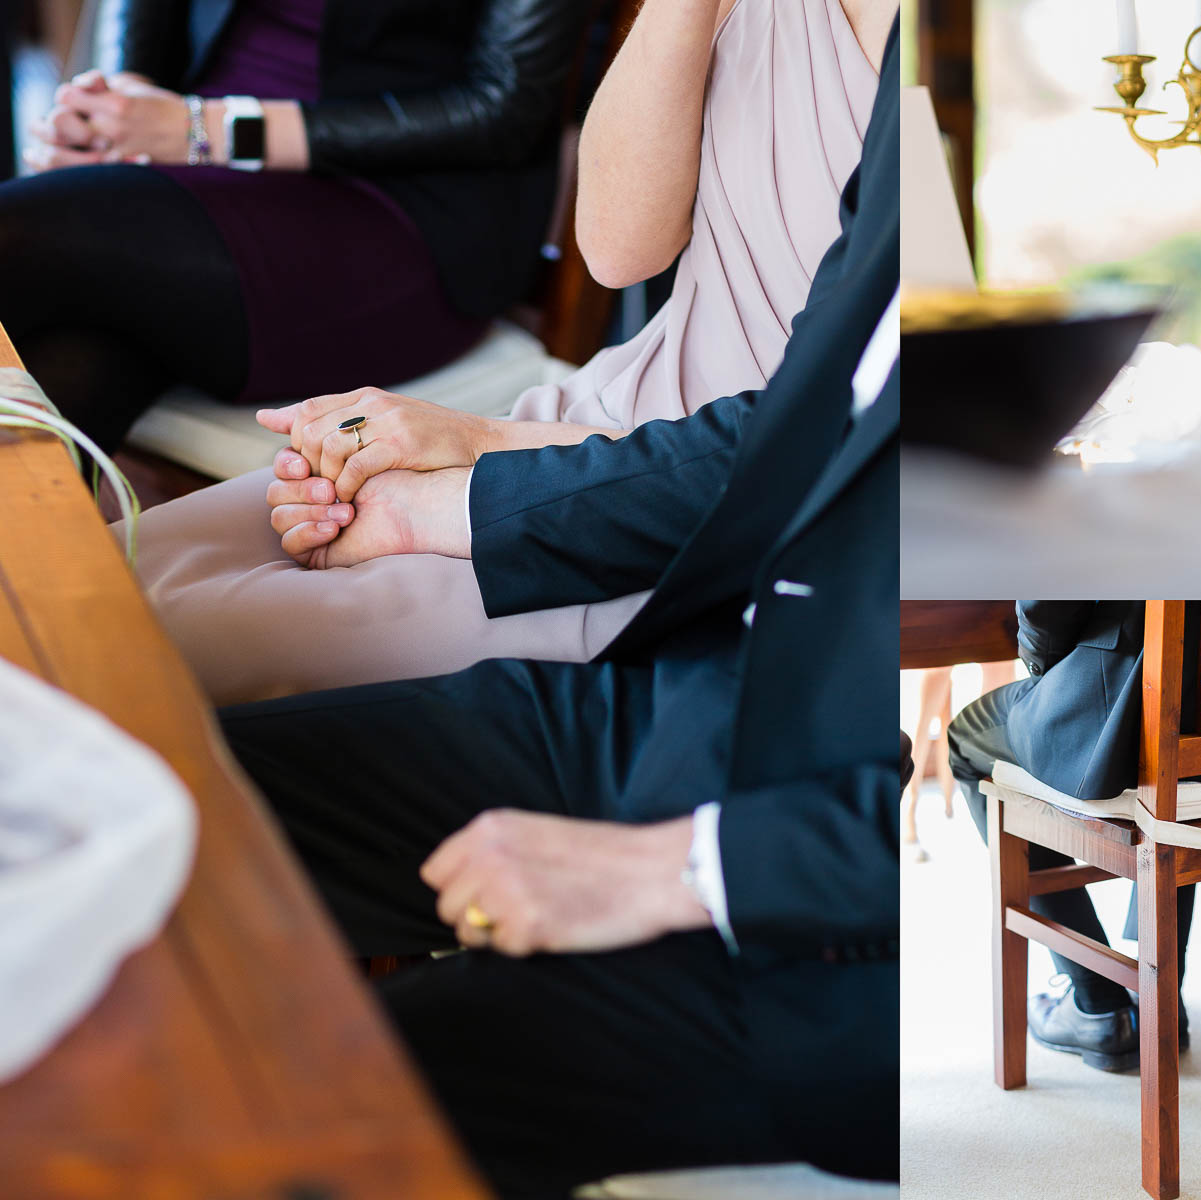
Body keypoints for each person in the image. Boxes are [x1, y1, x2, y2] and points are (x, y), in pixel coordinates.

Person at [217, 19, 898, 1196]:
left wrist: (684, 868)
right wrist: (458, 495)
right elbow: (796, 426)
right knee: (182, 788)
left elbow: (1029, 789)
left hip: (845, 917)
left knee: (316, 1095)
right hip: (731, 701)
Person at [123, 0, 891, 706]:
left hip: (703, 525)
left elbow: (837, 441)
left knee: (151, 647)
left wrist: (476, 453)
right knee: (118, 567)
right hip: (598, 416)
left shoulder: (968, 53)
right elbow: (617, 251)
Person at [6, 0, 592, 453]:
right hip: (183, 162)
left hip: (397, 217)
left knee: (16, 236)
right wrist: (123, 102)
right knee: (60, 384)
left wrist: (204, 129)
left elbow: (504, 107)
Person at [946, 602, 1201, 1072]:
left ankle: (1098, 1005)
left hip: (1141, 702)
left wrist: (1048, 667)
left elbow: (1048, 602)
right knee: (1183, 759)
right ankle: (1162, 1003)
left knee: (965, 739)